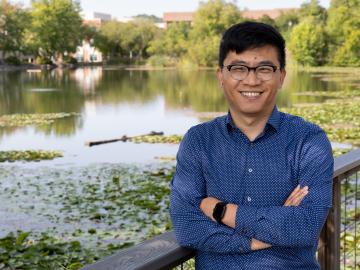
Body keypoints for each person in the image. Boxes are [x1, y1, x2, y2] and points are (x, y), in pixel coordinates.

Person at [169, 21, 334, 269]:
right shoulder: (199, 141)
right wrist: (257, 239)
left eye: (265, 68)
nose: (251, 79)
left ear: (281, 77)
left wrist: (220, 211)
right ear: (221, 76)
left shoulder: (309, 141)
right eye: (238, 68)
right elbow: (186, 226)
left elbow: (304, 226)